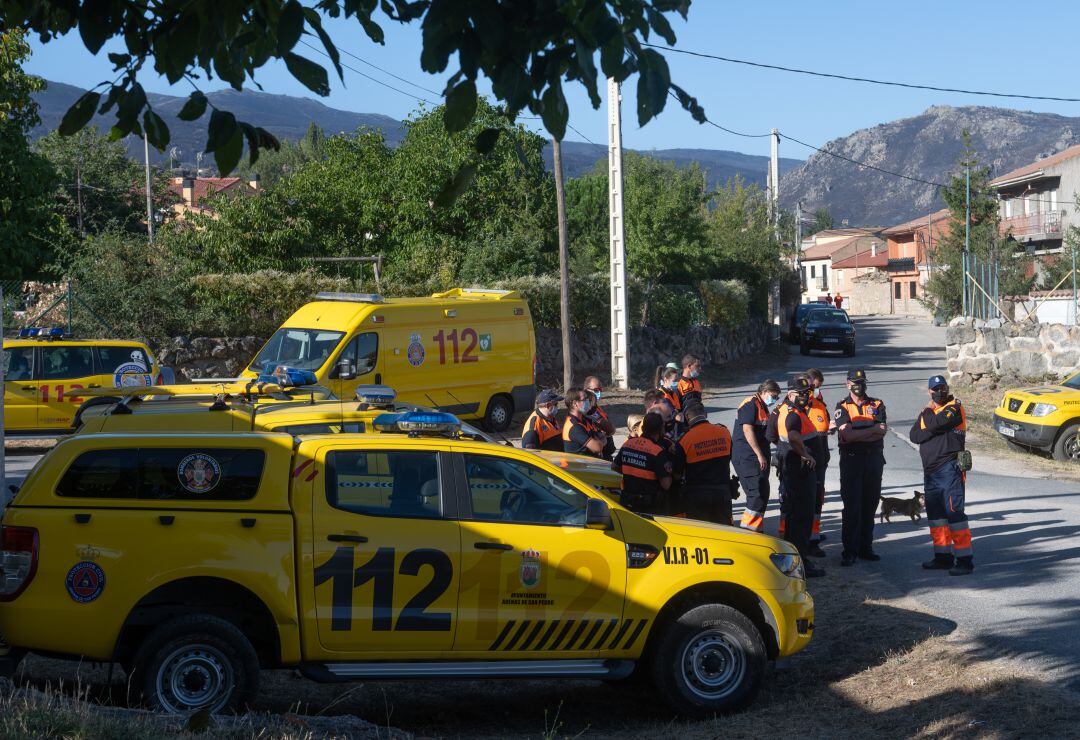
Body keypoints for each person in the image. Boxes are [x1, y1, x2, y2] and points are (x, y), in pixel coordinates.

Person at [909, 376, 973, 576]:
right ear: (929, 391)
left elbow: (936, 424)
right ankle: (943, 557)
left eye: (943, 388)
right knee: (936, 517)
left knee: (955, 514)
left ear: (947, 388)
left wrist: (928, 417)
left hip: (949, 469)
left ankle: (964, 561)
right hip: (931, 472)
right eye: (936, 389)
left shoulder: (954, 407)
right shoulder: (929, 412)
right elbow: (914, 436)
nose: (940, 391)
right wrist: (932, 426)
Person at [834, 368, 887, 567]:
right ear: (848, 384)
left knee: (870, 504)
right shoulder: (842, 406)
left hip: (874, 460)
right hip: (852, 461)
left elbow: (882, 431)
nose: (859, 386)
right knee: (852, 507)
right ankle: (850, 551)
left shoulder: (877, 404)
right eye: (855, 383)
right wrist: (871, 430)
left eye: (862, 382)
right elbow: (847, 435)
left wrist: (858, 432)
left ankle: (866, 547)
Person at [777, 376, 825, 578]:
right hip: (800, 474)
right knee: (801, 520)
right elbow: (794, 436)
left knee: (795, 519)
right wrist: (805, 455)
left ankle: (792, 562)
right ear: (790, 395)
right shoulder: (793, 415)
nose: (805, 396)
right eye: (801, 394)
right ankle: (801, 563)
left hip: (796, 472)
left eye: (807, 393)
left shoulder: (789, 411)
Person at [733, 380, 781, 533]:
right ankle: (748, 531)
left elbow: (766, 433)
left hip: (757, 457)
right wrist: (759, 454)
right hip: (747, 456)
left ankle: (755, 529)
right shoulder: (750, 404)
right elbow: (747, 430)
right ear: (764, 391)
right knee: (756, 494)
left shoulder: (762, 406)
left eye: (777, 397)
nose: (774, 399)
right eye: (773, 396)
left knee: (762, 492)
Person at [675, 401, 733, 524]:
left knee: (701, 530)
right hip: (722, 492)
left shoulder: (684, 440)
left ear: (687, 417)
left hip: (697, 495)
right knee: (724, 530)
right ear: (705, 414)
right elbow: (729, 457)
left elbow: (677, 473)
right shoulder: (724, 432)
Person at [612, 412, 673, 514]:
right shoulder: (657, 451)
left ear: (643, 428)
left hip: (627, 502)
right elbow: (666, 484)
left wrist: (631, 471)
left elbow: (614, 466)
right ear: (660, 429)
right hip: (648, 506)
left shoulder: (628, 444)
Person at [805, 368, 831, 558]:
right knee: (802, 500)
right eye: (814, 387)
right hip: (805, 458)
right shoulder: (795, 405)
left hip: (820, 456)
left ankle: (813, 538)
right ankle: (801, 539)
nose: (816, 391)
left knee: (817, 498)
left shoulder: (819, 402)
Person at [562, 388, 608, 457]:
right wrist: (600, 441)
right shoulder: (574, 427)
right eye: (584, 399)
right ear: (575, 403)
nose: (588, 401)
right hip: (579, 463)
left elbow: (603, 437)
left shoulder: (585, 419)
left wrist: (599, 440)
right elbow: (598, 447)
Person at [583, 375, 616, 459]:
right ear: (586, 390)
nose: (599, 393)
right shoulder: (586, 411)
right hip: (598, 455)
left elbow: (610, 428)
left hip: (607, 453)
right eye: (596, 390)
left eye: (600, 390)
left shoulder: (597, 408)